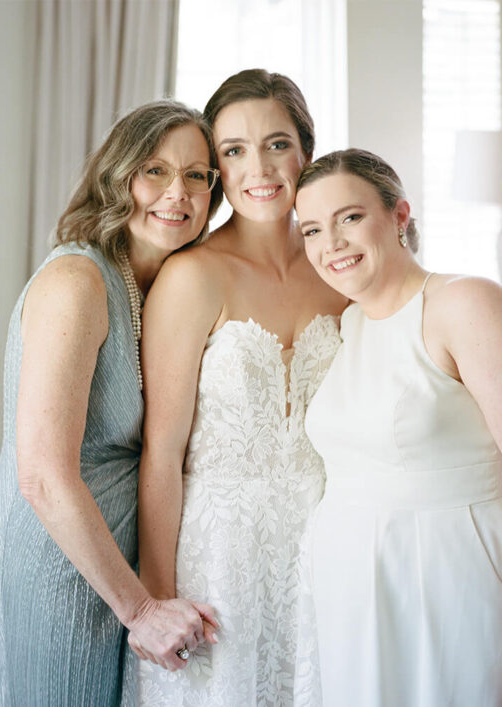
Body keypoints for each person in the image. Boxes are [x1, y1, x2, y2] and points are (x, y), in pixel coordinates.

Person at [0, 100, 224, 706]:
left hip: (125, 560)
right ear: (118, 176)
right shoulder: (77, 282)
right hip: (66, 560)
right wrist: (141, 607)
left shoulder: (164, 282)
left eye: (197, 175)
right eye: (155, 170)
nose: (178, 192)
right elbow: (41, 476)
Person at [136, 70, 347, 706]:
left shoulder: (336, 271)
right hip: (220, 557)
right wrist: (157, 600)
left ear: (305, 152)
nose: (260, 167)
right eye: (233, 151)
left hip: (324, 549)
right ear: (217, 170)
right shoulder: (193, 275)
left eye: (277, 143)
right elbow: (162, 453)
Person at [292, 148, 502, 706]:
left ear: (400, 216)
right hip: (350, 579)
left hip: (449, 565)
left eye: (350, 218)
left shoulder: (464, 302)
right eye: (311, 229)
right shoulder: (346, 323)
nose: (330, 244)